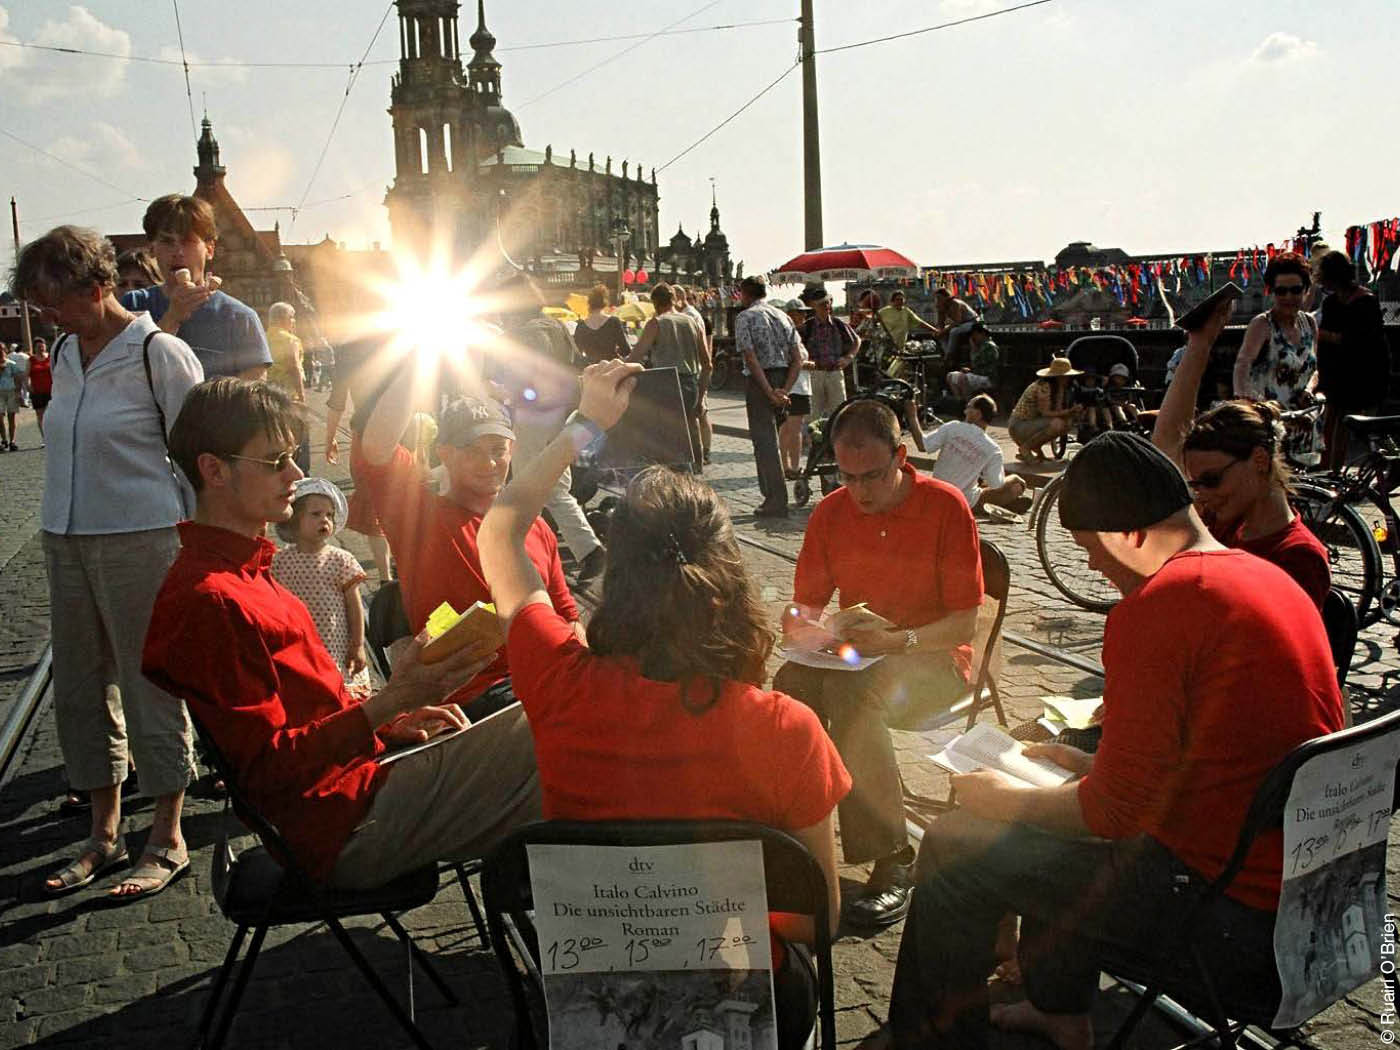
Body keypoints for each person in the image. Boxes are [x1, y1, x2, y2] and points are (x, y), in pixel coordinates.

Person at [871, 431, 1345, 1050]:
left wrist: (999, 799)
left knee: (956, 845)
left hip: (1230, 923)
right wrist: (1084, 759)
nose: (1092, 566)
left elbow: (1112, 813)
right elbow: (1206, 748)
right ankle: (1060, 1010)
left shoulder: (1161, 604)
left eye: (1090, 549)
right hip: (1313, 903)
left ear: (1132, 534)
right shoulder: (1262, 574)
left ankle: (929, 1042)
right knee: (1054, 802)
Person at [478, 360, 850, 1050]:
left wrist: (587, 423)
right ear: (731, 577)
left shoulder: (560, 682)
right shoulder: (785, 728)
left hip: (593, 1000)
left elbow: (500, 528)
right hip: (745, 1000)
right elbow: (817, 917)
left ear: (617, 576)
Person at [143, 378, 541, 890]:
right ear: (214, 470)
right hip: (345, 826)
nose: (296, 473)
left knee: (556, 716)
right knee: (552, 729)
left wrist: (389, 721)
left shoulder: (245, 573)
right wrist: (390, 700)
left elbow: (305, 719)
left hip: (358, 787)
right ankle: (606, 921)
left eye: (292, 456)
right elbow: (267, 772)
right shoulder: (212, 598)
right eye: (274, 461)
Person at [12, 225, 204, 901]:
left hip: (142, 537)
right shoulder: (65, 352)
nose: (47, 318)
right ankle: (102, 831)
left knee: (149, 682)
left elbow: (198, 459)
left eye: (56, 302)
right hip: (63, 536)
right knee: (80, 689)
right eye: (38, 306)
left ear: (99, 288)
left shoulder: (161, 355)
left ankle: (168, 833)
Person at [774, 399, 983, 929]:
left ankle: (893, 858)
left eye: (872, 476)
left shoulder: (945, 506)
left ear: (902, 456)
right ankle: (790, 835)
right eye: (847, 477)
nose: (860, 491)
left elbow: (964, 626)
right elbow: (804, 609)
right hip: (860, 657)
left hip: (932, 659)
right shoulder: (832, 512)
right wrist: (810, 628)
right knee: (788, 684)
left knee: (853, 696)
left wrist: (897, 640)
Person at [360, 360, 584, 715]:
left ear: (512, 449)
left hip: (546, 683)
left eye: (497, 449)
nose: (489, 463)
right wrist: (422, 357)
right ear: (444, 454)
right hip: (479, 700)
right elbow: (377, 449)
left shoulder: (537, 528)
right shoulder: (420, 519)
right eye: (472, 451)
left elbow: (569, 615)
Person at [1153, 300, 1331, 607]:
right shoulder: (1228, 519)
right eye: (1197, 484)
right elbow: (1168, 444)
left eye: (1211, 480)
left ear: (1260, 460)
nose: (1203, 495)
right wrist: (1200, 343)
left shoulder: (1297, 556)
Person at [493, 274, 606, 584]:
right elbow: (575, 364)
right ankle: (588, 549)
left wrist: (506, 392)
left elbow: (517, 379)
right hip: (562, 413)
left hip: (532, 416)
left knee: (528, 483)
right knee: (556, 483)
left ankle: (520, 552)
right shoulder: (556, 326)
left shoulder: (519, 334)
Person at [120, 194, 272, 381]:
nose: (178, 253)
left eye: (188, 242)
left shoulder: (240, 318)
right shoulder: (132, 306)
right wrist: (172, 318)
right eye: (167, 242)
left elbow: (252, 393)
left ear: (209, 249)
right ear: (152, 249)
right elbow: (123, 378)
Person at [272, 477, 372, 699]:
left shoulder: (340, 559)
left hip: (335, 643)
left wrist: (357, 645)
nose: (324, 520)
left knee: (341, 692)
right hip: (299, 643)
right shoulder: (280, 561)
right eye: (315, 514)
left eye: (329, 515)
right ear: (294, 519)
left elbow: (354, 606)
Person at [324, 333, 393, 585]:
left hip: (366, 436)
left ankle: (386, 578)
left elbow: (337, 402)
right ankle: (406, 568)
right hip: (403, 435)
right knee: (405, 505)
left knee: (374, 506)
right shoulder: (397, 342)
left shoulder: (349, 349)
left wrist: (329, 437)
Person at [735, 275, 803, 518]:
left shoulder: (745, 317)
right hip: (783, 378)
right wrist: (784, 388)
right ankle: (775, 497)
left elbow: (751, 359)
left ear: (745, 294)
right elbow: (798, 358)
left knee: (764, 442)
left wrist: (768, 390)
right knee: (776, 436)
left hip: (760, 382)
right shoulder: (783, 315)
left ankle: (775, 498)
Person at [1316, 249, 1390, 469]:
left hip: (1363, 376)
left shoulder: (1364, 302)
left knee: (1360, 431)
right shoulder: (1331, 304)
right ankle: (1331, 471)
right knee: (1333, 430)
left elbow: (1359, 340)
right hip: (1337, 378)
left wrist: (1323, 335)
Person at [630, 282, 710, 471]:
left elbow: (636, 356)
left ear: (655, 303)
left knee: (669, 436)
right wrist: (700, 395)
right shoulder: (693, 322)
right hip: (690, 382)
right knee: (691, 427)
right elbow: (708, 364)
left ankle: (679, 477)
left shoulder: (656, 323)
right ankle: (697, 469)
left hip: (665, 383)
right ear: (674, 299)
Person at [1232, 253, 1319, 419]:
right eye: (1281, 291)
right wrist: (1245, 398)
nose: (1288, 297)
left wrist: (1309, 390)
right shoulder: (1263, 324)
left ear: (1306, 290)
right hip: (1272, 424)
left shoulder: (1310, 323)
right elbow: (1243, 363)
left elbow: (1315, 369)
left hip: (1305, 422)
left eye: (1295, 290)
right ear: (1271, 292)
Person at [926, 395, 1028, 514]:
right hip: (963, 501)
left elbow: (923, 444)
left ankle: (1007, 505)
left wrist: (912, 417)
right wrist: (1013, 477)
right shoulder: (992, 449)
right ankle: (1007, 504)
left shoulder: (952, 427)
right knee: (1015, 487)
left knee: (980, 483)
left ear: (977, 414)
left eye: (968, 407)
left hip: (938, 495)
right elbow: (996, 484)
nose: (964, 411)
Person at [264, 301, 311, 475]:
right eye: (293, 319)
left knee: (277, 438)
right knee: (300, 441)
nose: (294, 323)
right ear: (286, 318)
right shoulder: (291, 340)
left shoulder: (262, 337)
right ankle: (302, 477)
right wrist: (302, 397)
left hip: (269, 397)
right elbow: (294, 368)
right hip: (290, 397)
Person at [798, 291, 859, 421]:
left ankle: (835, 440)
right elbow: (794, 347)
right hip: (815, 374)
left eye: (827, 303)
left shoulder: (838, 324)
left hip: (835, 373)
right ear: (814, 306)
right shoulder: (807, 327)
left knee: (839, 413)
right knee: (812, 414)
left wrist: (849, 358)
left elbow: (856, 341)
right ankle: (813, 440)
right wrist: (804, 361)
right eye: (821, 304)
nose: (826, 306)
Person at [1009, 357, 1081, 461]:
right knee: (1058, 424)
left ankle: (1038, 452)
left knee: (1066, 423)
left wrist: (1071, 412)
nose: (1068, 379)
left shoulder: (1058, 387)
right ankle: (1026, 448)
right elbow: (1045, 413)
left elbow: (1058, 411)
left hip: (1031, 424)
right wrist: (1070, 411)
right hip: (1019, 425)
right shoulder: (1044, 387)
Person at [675, 285, 715, 464]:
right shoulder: (686, 315)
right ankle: (698, 454)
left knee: (699, 412)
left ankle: (702, 454)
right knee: (697, 413)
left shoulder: (689, 317)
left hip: (695, 369)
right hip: (695, 368)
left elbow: (700, 347)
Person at [571, 283, 630, 364]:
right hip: (611, 367)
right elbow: (626, 350)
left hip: (592, 369)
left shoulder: (581, 326)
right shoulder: (614, 322)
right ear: (605, 302)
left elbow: (577, 354)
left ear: (589, 303)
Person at [945, 322, 999, 400]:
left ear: (982, 333)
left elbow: (977, 363)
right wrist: (969, 370)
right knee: (950, 376)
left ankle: (968, 401)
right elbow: (976, 366)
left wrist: (973, 350)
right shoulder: (981, 346)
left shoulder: (989, 346)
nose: (973, 337)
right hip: (979, 375)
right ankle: (960, 400)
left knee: (962, 378)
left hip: (988, 378)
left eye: (975, 334)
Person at [878, 289, 938, 356]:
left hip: (900, 348)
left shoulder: (906, 311)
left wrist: (934, 330)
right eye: (898, 299)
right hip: (887, 346)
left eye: (902, 299)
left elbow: (919, 322)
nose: (900, 301)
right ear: (893, 300)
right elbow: (874, 319)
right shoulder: (885, 311)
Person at [932, 287, 980, 366]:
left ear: (946, 297)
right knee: (941, 335)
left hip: (972, 322)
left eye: (939, 298)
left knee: (954, 332)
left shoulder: (955, 303)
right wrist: (939, 331)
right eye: (936, 298)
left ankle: (949, 355)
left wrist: (943, 331)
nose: (938, 300)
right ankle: (947, 353)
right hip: (961, 324)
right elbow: (940, 323)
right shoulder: (941, 307)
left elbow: (957, 322)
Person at [27, 337, 52, 441]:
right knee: (40, 415)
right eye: (38, 347)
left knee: (51, 414)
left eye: (42, 346)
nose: (40, 348)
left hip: (51, 390)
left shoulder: (50, 357)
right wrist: (28, 386)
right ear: (35, 348)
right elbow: (26, 375)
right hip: (37, 391)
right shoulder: (31, 360)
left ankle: (53, 436)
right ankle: (44, 438)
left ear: (45, 346)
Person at [0, 342, 22, 451]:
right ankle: (4, 440)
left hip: (11, 391)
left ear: (5, 351)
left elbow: (18, 379)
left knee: (11, 416)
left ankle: (12, 441)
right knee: (0, 417)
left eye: (1, 350)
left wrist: (19, 392)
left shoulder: (11, 363)